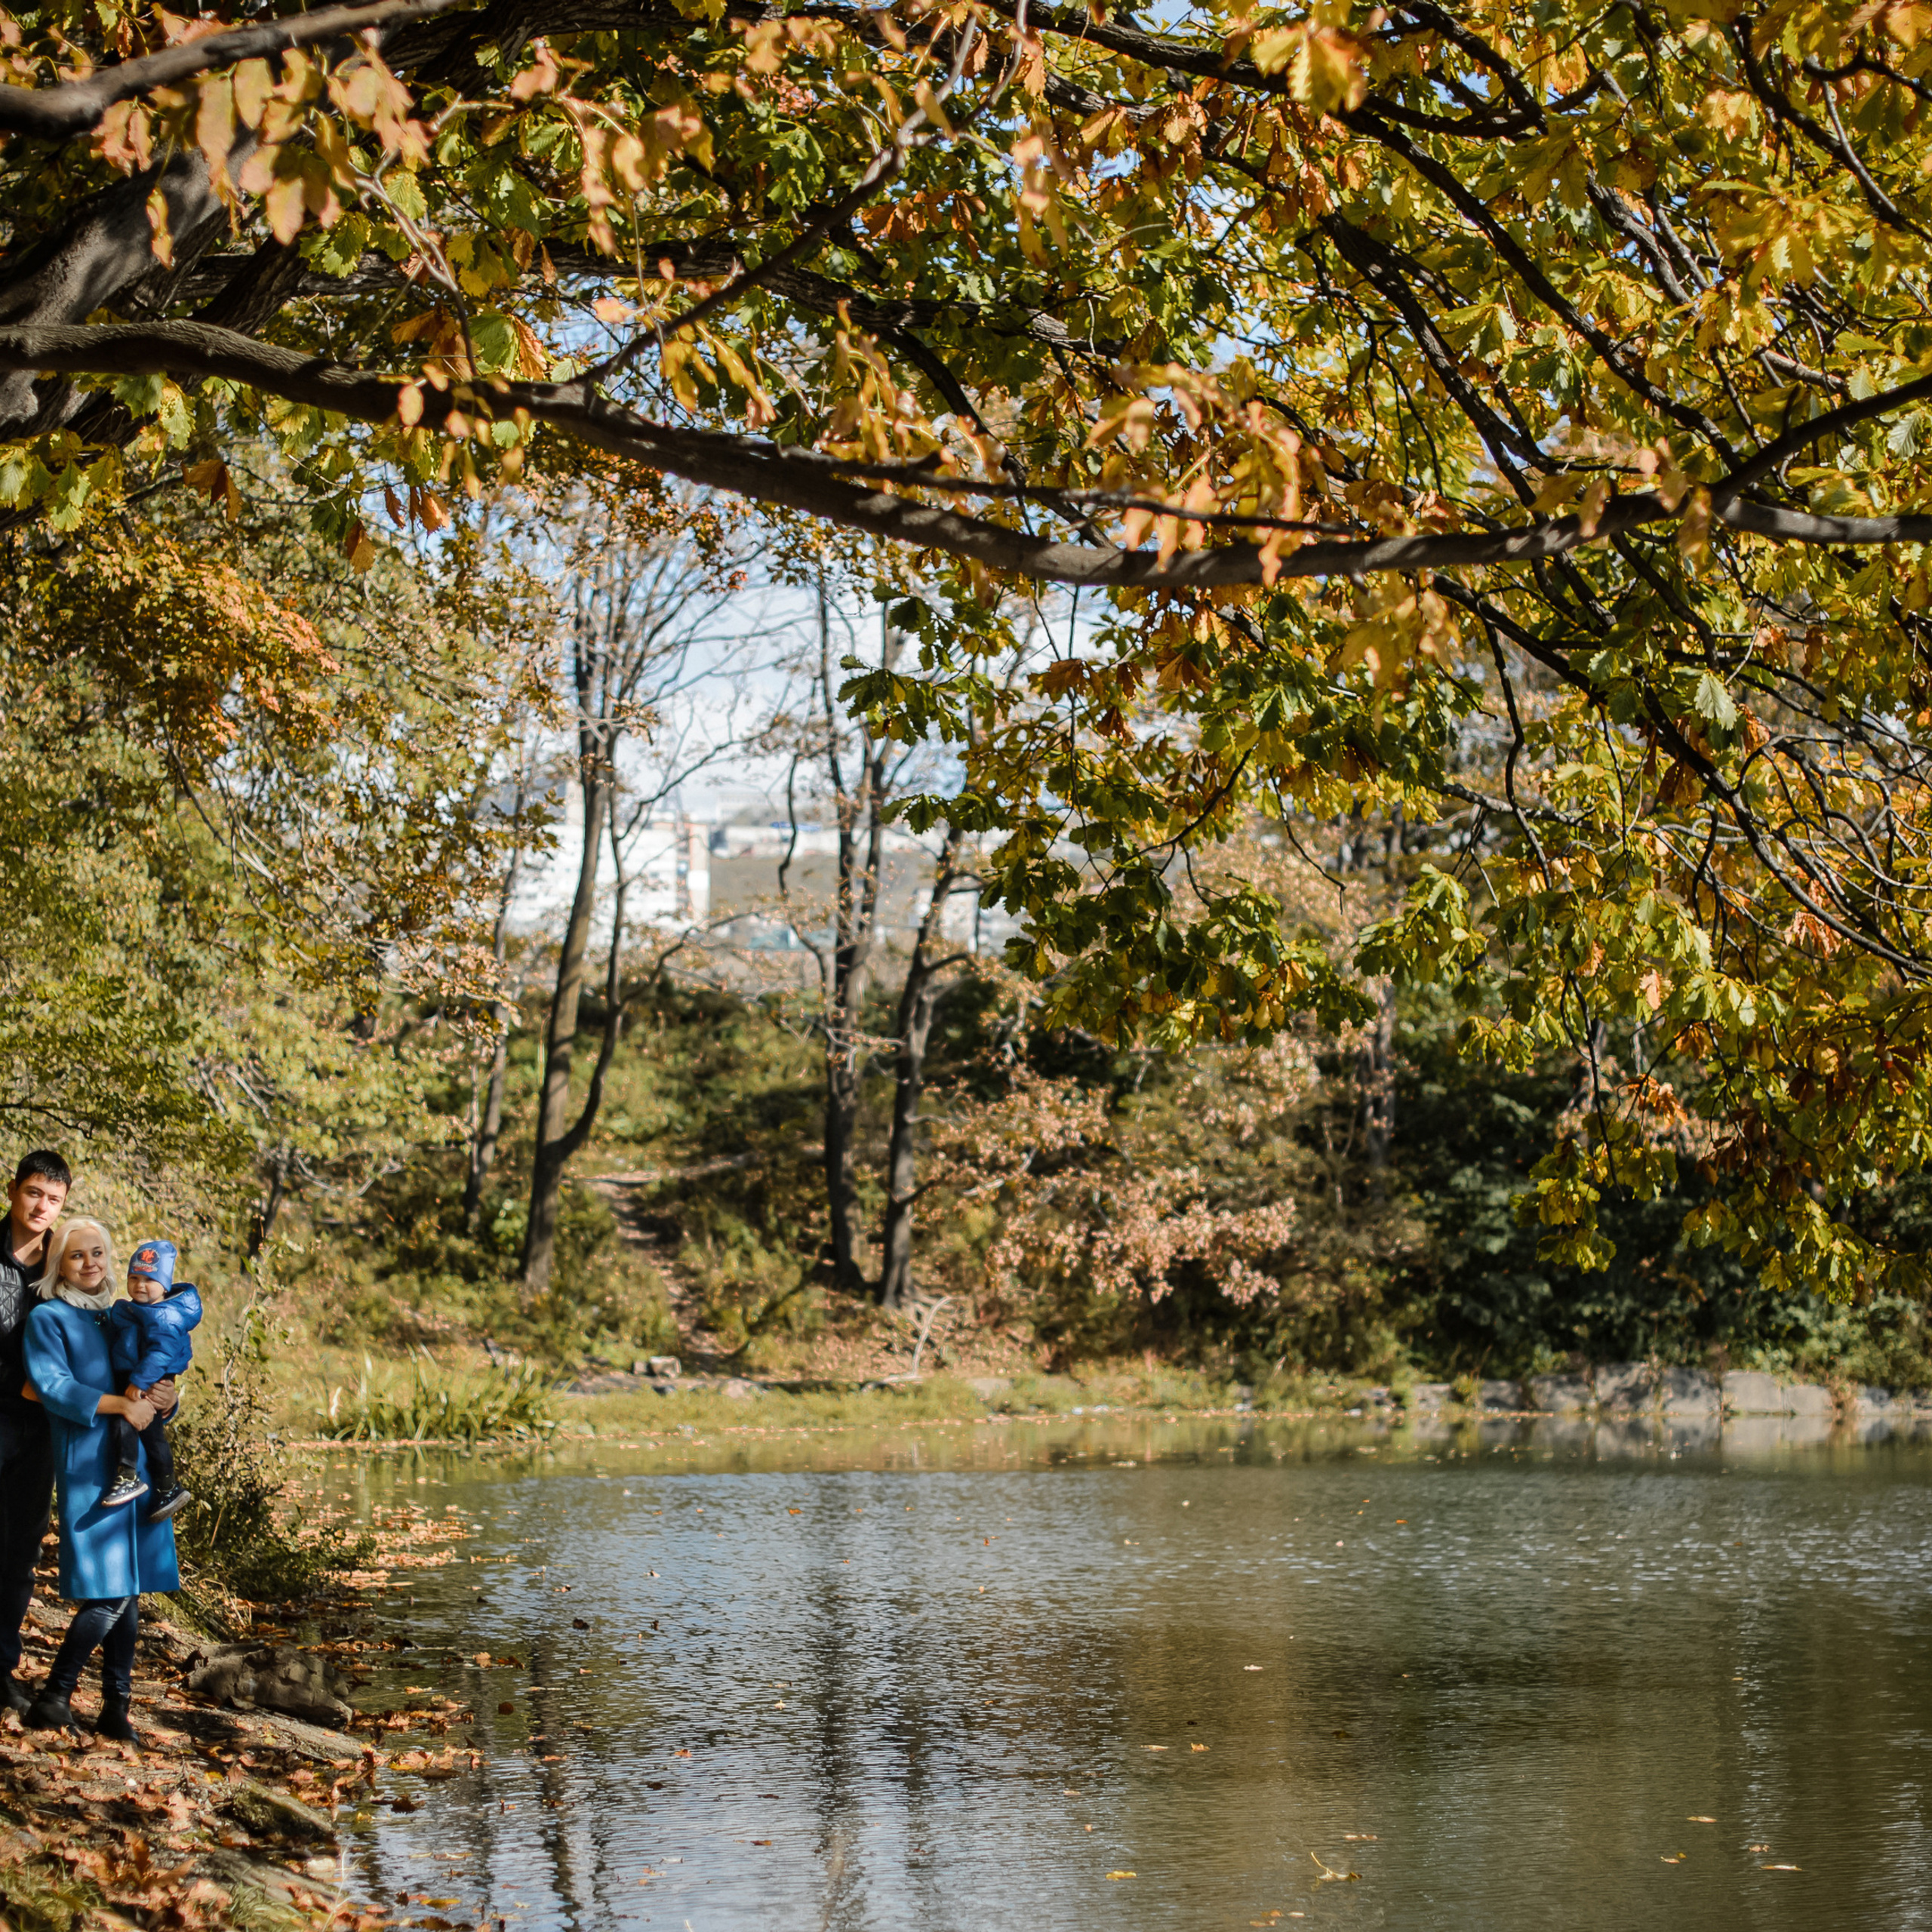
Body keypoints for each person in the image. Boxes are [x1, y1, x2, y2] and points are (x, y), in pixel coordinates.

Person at [20, 1220, 179, 1741]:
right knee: (108, 1594)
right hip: (90, 1467)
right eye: (76, 1256)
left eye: (98, 1254)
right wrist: (122, 1405)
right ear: (57, 1265)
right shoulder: (49, 1318)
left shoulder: (119, 1317)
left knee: (129, 1591)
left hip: (136, 1467)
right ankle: (53, 1698)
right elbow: (52, 1387)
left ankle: (116, 1709)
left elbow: (150, 1377)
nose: (90, 1264)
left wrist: (165, 1400)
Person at [0, 1149, 69, 1715]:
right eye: (33, 1194)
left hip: (42, 1431)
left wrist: (154, 1384)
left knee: (21, 1551)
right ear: (13, 1191)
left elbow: (95, 1336)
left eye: (53, 1199)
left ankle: (2, 1670)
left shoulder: (63, 1263)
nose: (41, 1206)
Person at [103, 1239, 198, 1518]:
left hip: (146, 1379)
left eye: (149, 1279)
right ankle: (164, 1486)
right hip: (136, 1376)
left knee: (134, 1426)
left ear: (165, 1286)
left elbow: (161, 1352)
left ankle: (136, 1478)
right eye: (134, 1277)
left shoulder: (165, 1316)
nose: (140, 1285)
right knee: (145, 1430)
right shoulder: (138, 1310)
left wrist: (140, 1383)